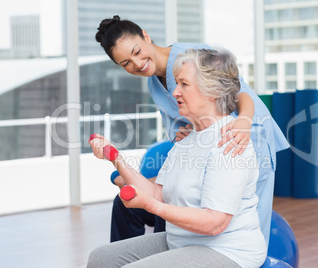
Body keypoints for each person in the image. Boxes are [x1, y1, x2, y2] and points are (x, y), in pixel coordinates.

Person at [95, 15, 289, 246]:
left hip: (243, 137)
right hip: (208, 149)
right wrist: (182, 134)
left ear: (146, 36)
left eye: (136, 51)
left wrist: (245, 122)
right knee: (177, 212)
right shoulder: (153, 83)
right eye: (126, 63)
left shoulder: (192, 57)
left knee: (249, 224)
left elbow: (239, 94)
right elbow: (180, 129)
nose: (136, 64)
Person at [87, 48, 267, 268]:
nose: (174, 92)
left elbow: (215, 223)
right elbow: (157, 193)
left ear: (211, 91)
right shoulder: (188, 137)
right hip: (182, 241)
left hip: (228, 251)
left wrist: (150, 206)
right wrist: (115, 157)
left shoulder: (229, 140)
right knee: (101, 259)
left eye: (184, 84)